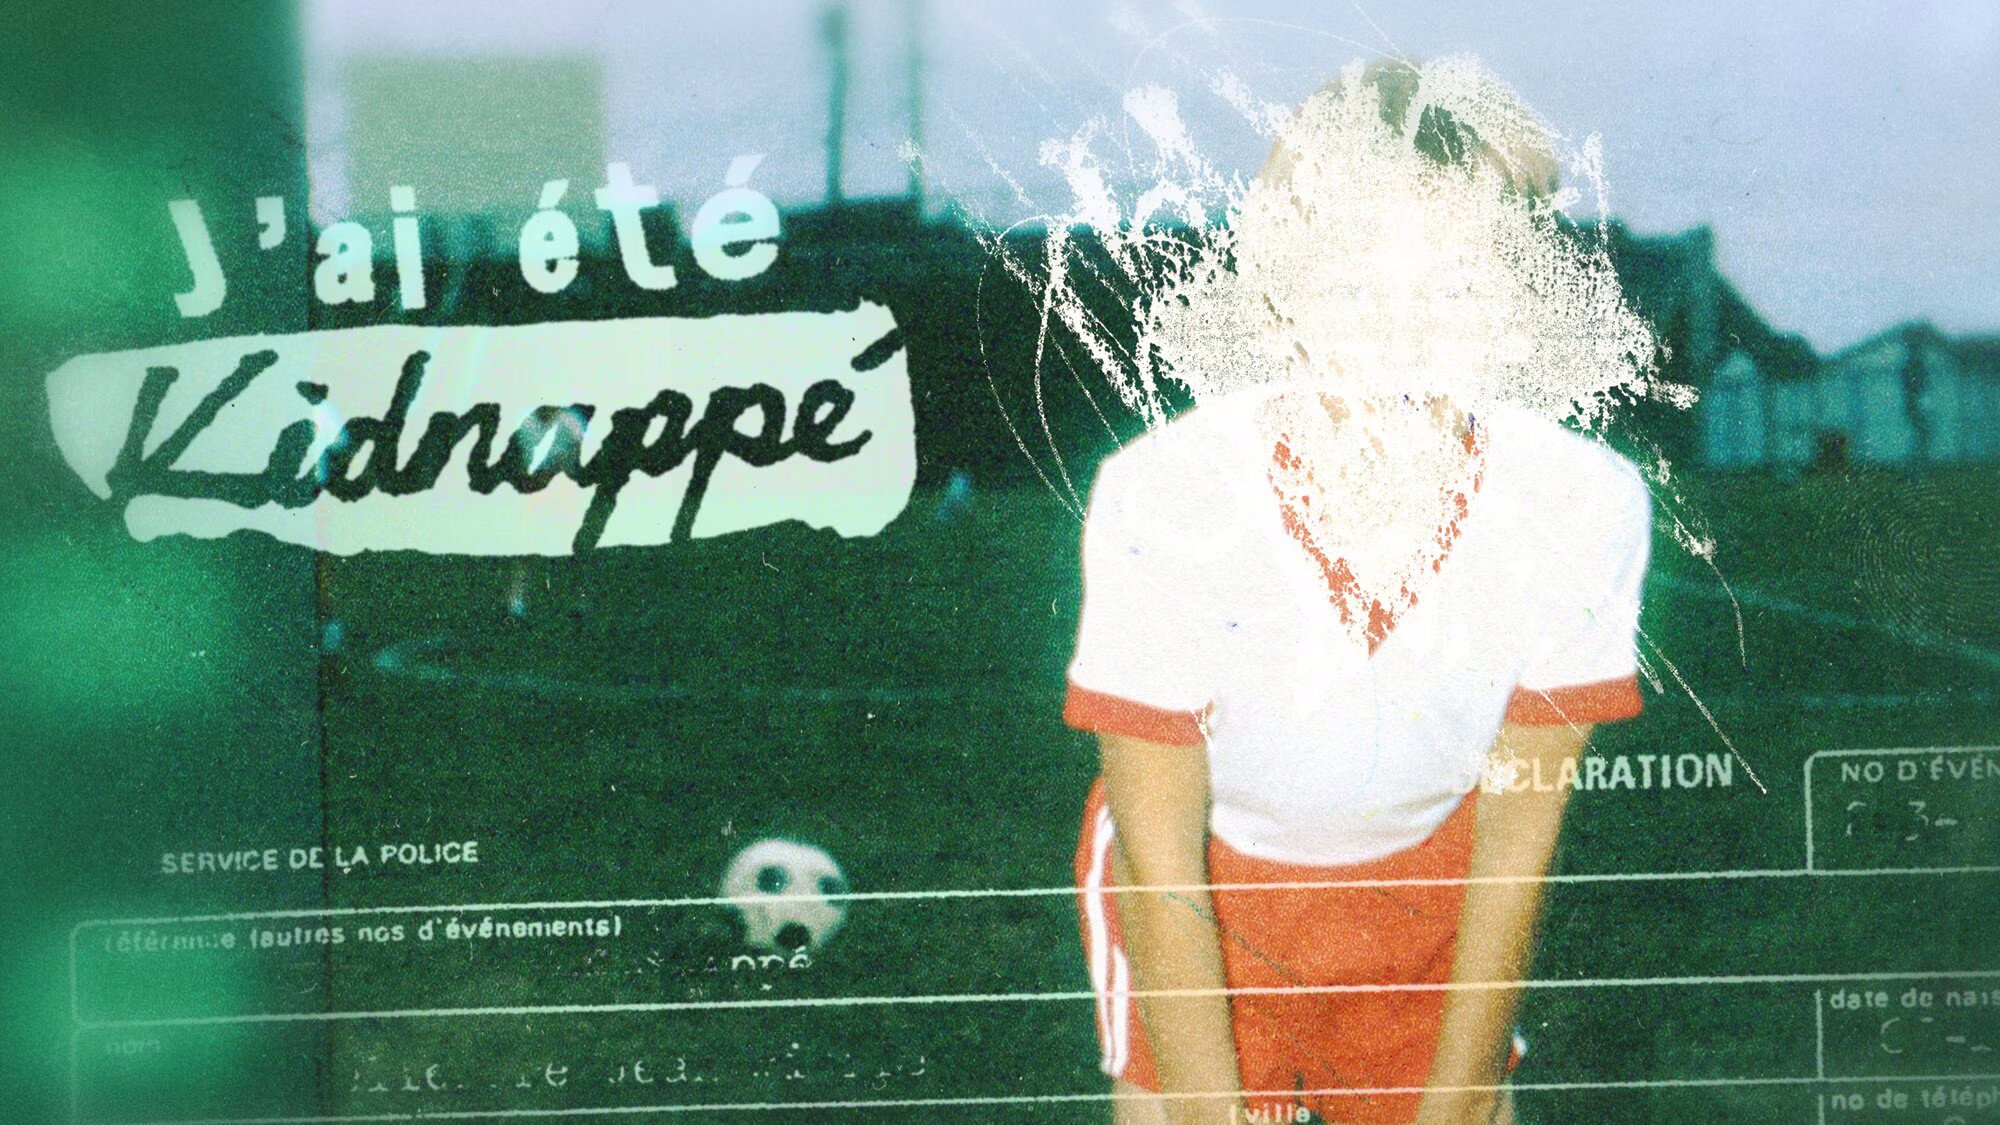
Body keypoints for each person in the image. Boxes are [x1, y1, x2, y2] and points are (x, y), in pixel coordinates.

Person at [1066, 60, 1654, 1125]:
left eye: (1455, 288)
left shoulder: (1580, 503)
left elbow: (1513, 846)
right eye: (1353, 290)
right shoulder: (1164, 493)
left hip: (1431, 880)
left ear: (1518, 302)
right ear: (1277, 295)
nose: (1402, 341)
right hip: (1210, 877)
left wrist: (1457, 1103)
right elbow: (1160, 859)